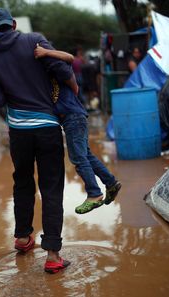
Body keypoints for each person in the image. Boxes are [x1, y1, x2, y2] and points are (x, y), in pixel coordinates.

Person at [0, 8, 77, 274]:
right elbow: (61, 67)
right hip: (47, 127)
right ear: (12, 24)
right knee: (51, 187)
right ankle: (53, 255)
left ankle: (23, 238)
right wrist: (73, 92)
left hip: (19, 132)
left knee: (22, 181)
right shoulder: (34, 40)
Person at [34, 45, 122, 214]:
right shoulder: (43, 73)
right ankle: (110, 183)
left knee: (78, 158)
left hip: (72, 117)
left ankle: (94, 194)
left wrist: (46, 52)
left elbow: (69, 59)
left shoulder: (51, 63)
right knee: (86, 154)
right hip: (72, 117)